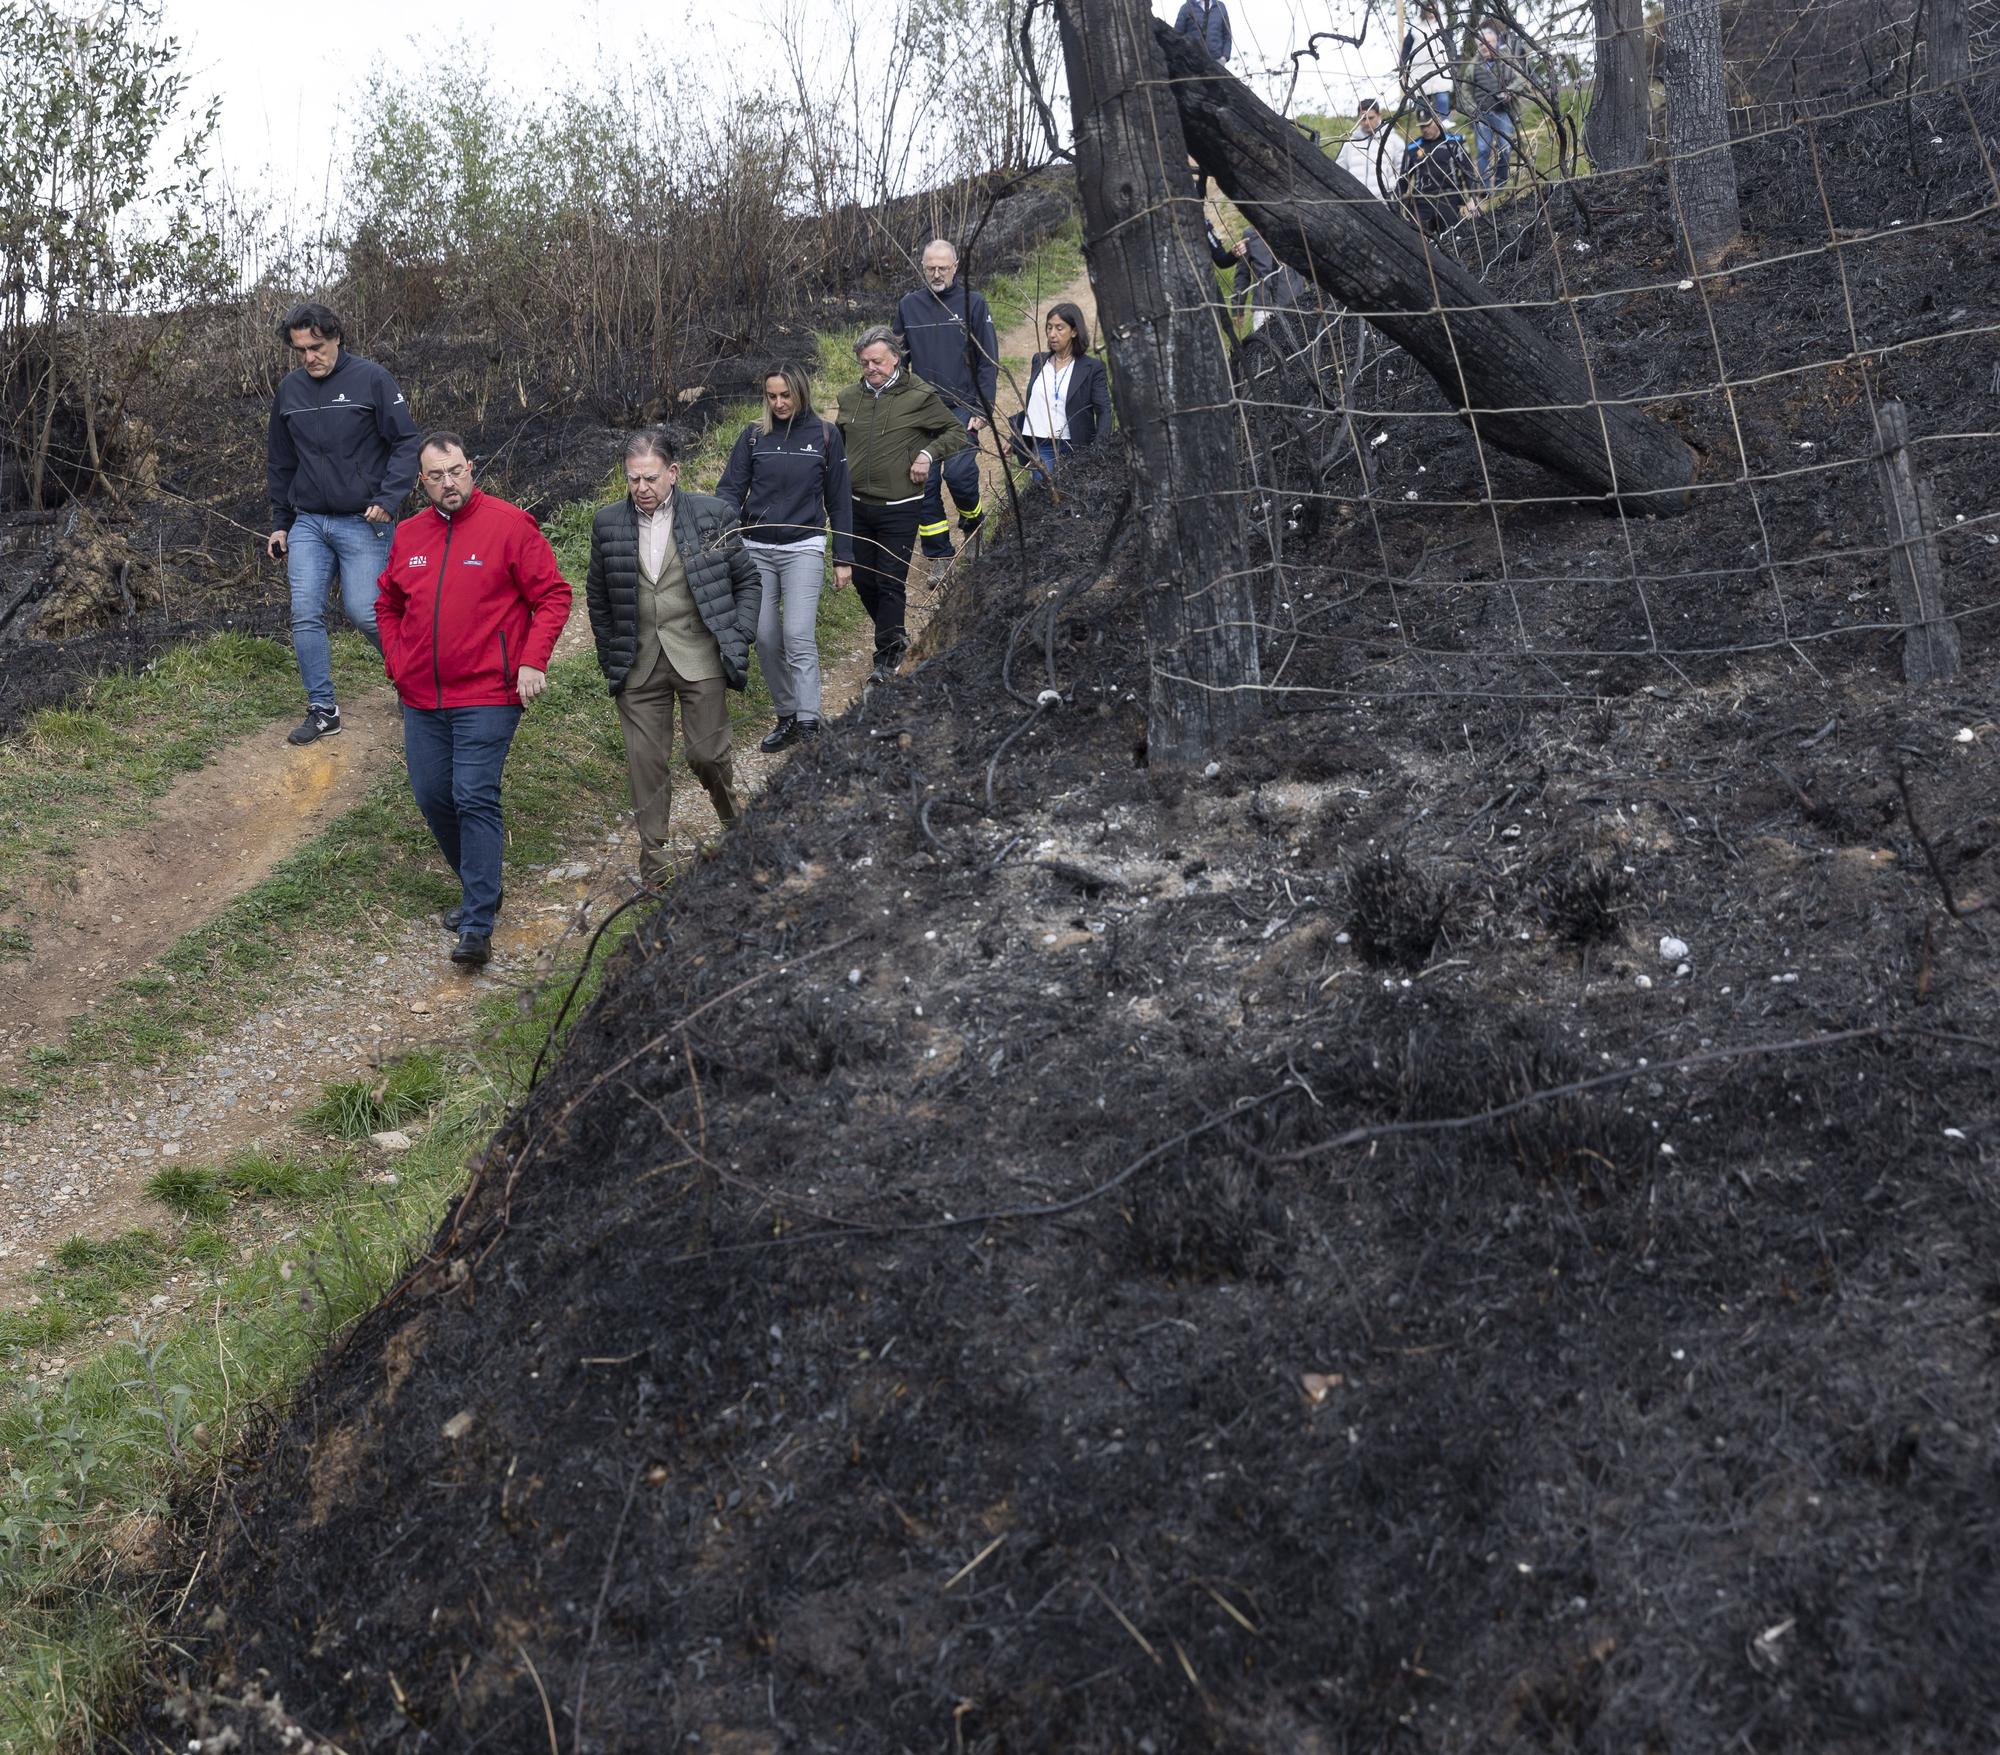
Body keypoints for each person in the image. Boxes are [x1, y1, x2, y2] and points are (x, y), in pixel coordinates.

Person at [374, 434, 570, 969]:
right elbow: (386, 602)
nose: (448, 483)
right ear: (422, 482)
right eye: (436, 476)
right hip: (422, 697)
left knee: (473, 794)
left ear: (471, 468)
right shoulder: (409, 534)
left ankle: (478, 923)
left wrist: (532, 660)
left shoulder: (510, 525)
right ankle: (481, 885)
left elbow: (553, 595)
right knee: (433, 795)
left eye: (456, 471)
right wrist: (397, 661)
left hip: (489, 691)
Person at [585, 430, 761, 887]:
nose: (642, 488)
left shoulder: (712, 515)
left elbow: (748, 581)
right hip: (638, 662)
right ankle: (655, 866)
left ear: (673, 473)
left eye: (651, 478)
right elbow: (598, 598)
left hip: (700, 655)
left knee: (706, 753)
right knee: (646, 763)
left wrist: (737, 636)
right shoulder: (608, 523)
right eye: (633, 480)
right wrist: (611, 655)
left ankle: (734, 822)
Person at [266, 301, 420, 745]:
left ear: (336, 338)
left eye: (315, 347)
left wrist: (389, 498)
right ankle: (322, 709)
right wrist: (281, 523)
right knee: (305, 613)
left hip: (364, 521)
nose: (309, 357)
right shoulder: (289, 391)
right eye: (300, 350)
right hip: (309, 521)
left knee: (366, 611)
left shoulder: (371, 379)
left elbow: (406, 441)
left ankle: (411, 685)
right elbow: (280, 461)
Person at [715, 364, 855, 754]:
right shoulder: (753, 436)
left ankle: (810, 720)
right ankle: (788, 715)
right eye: (772, 396)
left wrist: (844, 557)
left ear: (800, 392)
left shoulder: (826, 436)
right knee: (764, 635)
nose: (778, 403)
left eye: (785, 395)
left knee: (796, 633)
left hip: (804, 547)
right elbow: (729, 489)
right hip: (755, 548)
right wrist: (723, 531)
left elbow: (839, 499)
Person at [835, 326, 966, 683]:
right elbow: (838, 445)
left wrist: (926, 454)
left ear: (895, 357)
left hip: (901, 505)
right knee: (864, 581)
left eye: (877, 360)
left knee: (889, 580)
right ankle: (895, 636)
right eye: (864, 363)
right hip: (856, 505)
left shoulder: (920, 395)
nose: (871, 368)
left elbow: (955, 432)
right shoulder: (849, 398)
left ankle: (887, 656)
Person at [892, 240, 997, 579]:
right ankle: (939, 555)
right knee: (924, 484)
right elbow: (897, 362)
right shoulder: (908, 306)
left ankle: (973, 524)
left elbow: (988, 361)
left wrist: (983, 406)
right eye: (930, 268)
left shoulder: (974, 304)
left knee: (959, 474)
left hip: (963, 407)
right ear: (923, 267)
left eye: (943, 267)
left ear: (955, 267)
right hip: (922, 412)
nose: (936, 274)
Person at [1010, 303, 1112, 477]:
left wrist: (1098, 449)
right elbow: (1038, 403)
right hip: (1043, 446)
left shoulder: (1092, 368)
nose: (1052, 334)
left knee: (1073, 498)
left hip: (1076, 446)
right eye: (1049, 328)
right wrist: (1015, 438)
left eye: (1059, 328)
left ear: (1074, 331)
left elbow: (1104, 410)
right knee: (1045, 492)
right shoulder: (1039, 361)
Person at [1398, 110, 1483, 235]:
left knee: (1453, 237)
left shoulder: (1455, 142)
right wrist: (1399, 204)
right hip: (1422, 200)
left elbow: (1468, 171)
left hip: (1449, 197)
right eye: (1422, 126)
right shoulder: (1412, 148)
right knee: (1417, 237)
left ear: (1437, 120)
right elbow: (1403, 179)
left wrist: (1473, 199)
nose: (1425, 129)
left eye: (1428, 125)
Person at [1468, 24, 1527, 189]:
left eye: (1487, 43)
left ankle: (1501, 185)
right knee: (1482, 151)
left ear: (1495, 42)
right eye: (1480, 44)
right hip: (1482, 115)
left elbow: (1521, 79)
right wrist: (1473, 108)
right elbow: (1464, 90)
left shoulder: (1506, 60)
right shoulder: (1473, 66)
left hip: (1502, 113)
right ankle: (1485, 189)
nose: (1484, 47)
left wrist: (1510, 91)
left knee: (1505, 148)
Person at [1399, 0, 1457, 123]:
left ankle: (1444, 121)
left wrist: (1452, 58)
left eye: (1433, 6)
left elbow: (1451, 44)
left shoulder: (1444, 25)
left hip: (1439, 67)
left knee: (1442, 98)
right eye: (1428, 6)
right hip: (1420, 68)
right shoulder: (1416, 27)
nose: (1430, 9)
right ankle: (1424, 123)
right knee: (1422, 99)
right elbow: (1406, 48)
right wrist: (1403, 64)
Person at [1334, 97, 1396, 201]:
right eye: (1363, 118)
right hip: (1355, 203)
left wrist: (1389, 192)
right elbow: (1339, 172)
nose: (1366, 122)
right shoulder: (1349, 144)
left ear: (1379, 116)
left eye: (1370, 118)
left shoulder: (1393, 141)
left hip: (1385, 204)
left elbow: (1401, 172)